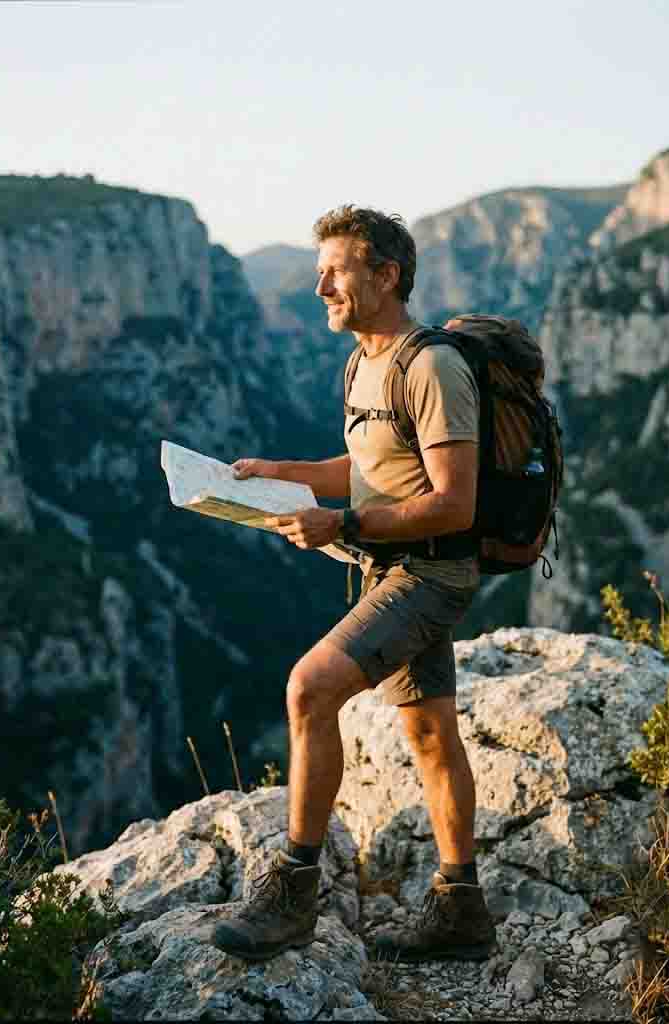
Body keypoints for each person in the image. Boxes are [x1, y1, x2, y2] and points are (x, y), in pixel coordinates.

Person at [212, 205, 496, 963]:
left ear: (386, 275)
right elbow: (371, 468)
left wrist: (341, 524)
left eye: (335, 272)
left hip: (430, 572)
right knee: (430, 731)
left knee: (309, 689)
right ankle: (461, 910)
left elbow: (454, 503)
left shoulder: (430, 366)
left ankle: (293, 892)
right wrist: (281, 473)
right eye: (319, 273)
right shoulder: (362, 363)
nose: (320, 289)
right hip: (386, 567)